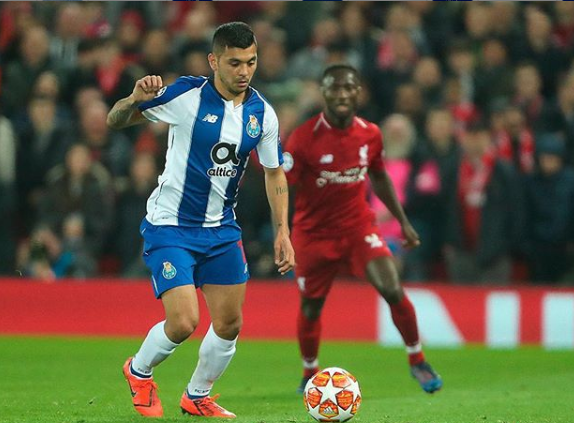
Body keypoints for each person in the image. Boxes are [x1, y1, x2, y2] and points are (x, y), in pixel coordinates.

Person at [107, 22, 295, 419]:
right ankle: (139, 371)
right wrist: (133, 99)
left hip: (221, 230)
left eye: (251, 62)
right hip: (170, 225)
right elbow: (116, 120)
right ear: (214, 61)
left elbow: (275, 172)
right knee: (184, 322)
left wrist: (283, 231)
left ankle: (196, 395)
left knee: (229, 323)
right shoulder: (186, 95)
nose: (244, 71)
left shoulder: (262, 112)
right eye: (234, 62)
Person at [283, 64, 442, 395]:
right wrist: (282, 233)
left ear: (358, 92)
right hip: (313, 235)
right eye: (334, 88)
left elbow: (380, 176)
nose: (342, 94)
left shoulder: (370, 133)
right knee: (311, 306)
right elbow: (281, 187)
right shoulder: (303, 138)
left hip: (358, 228)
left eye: (348, 88)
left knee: (393, 288)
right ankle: (309, 371)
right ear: (324, 93)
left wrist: (404, 222)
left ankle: (418, 360)